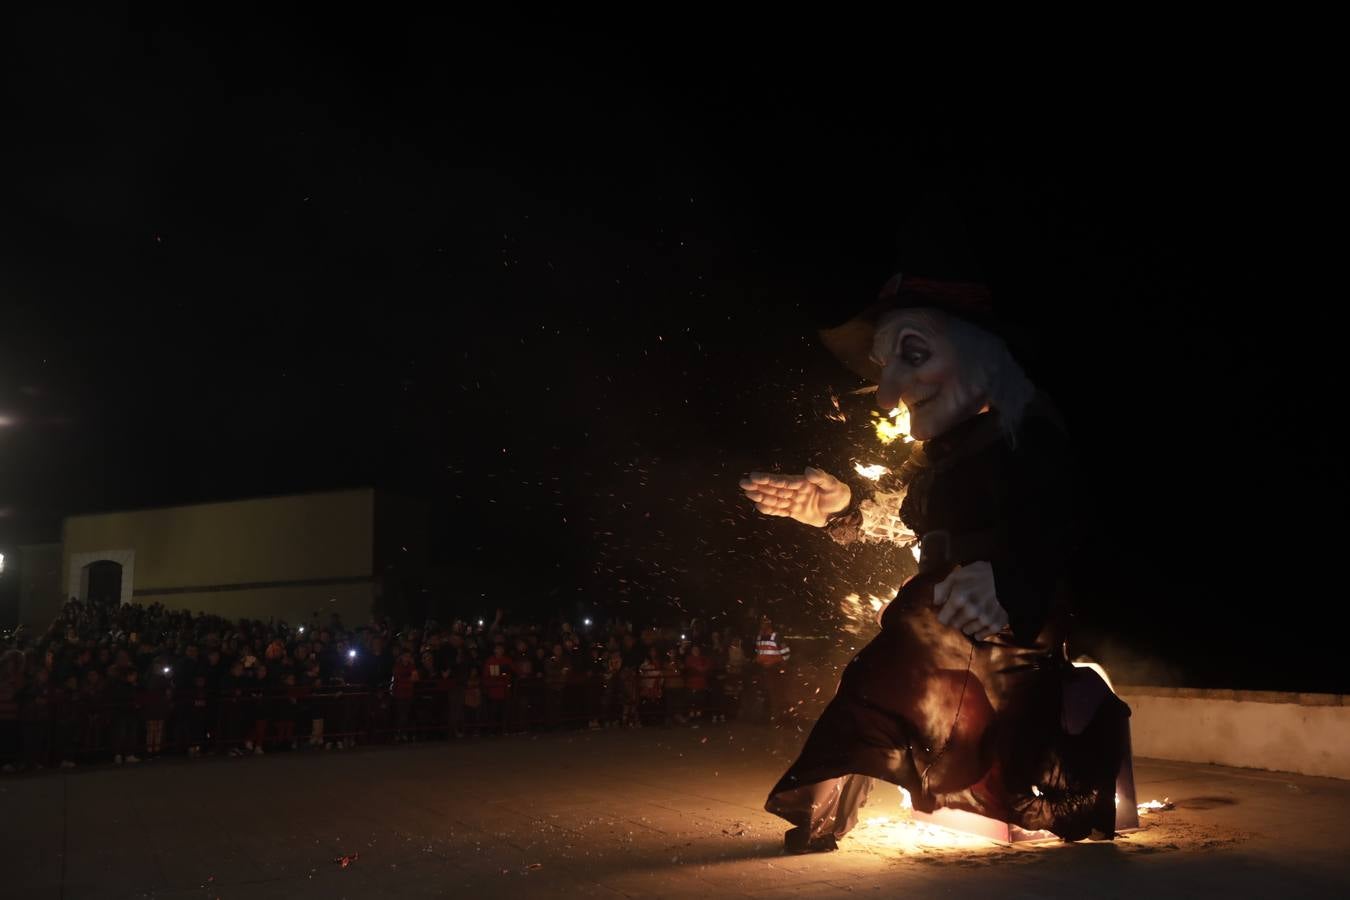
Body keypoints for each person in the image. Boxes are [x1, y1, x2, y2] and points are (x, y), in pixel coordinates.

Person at [740, 274, 1130, 852]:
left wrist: (1004, 581)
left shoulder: (1028, 437)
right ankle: (822, 813)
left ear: (981, 348)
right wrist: (838, 508)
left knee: (1026, 789)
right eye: (884, 366)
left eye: (913, 354)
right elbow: (904, 517)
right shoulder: (939, 457)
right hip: (936, 615)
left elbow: (1061, 535)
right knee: (877, 682)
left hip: (1011, 628)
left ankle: (1084, 717)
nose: (887, 392)